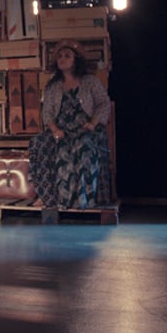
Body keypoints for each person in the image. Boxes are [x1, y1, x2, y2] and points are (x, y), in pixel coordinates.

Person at [28, 39, 112, 209]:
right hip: (61, 130)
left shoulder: (89, 81)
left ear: (76, 60)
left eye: (67, 56)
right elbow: (47, 112)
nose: (62, 59)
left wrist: (93, 123)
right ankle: (48, 196)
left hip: (85, 128)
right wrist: (55, 130)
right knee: (40, 142)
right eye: (60, 56)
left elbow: (104, 103)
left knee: (83, 146)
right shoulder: (53, 86)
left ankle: (82, 199)